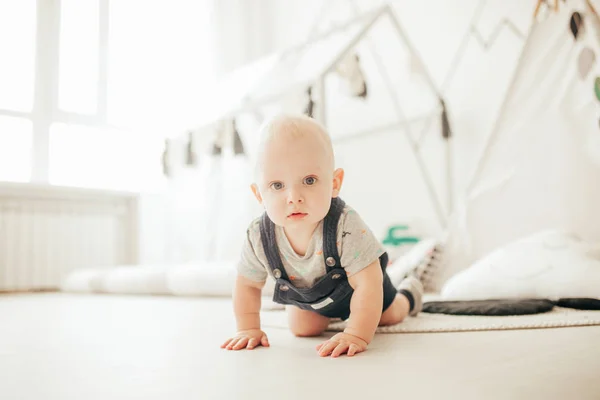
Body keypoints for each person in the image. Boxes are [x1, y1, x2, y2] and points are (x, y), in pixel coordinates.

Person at [221, 114, 423, 357]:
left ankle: (409, 294)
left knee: (388, 316)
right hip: (314, 301)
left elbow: (368, 284)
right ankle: (336, 316)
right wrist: (248, 328)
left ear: (334, 183)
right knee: (303, 328)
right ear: (259, 195)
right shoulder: (259, 236)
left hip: (363, 289)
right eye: (277, 185)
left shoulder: (344, 225)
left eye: (309, 180)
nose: (294, 197)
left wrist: (356, 333)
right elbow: (247, 285)